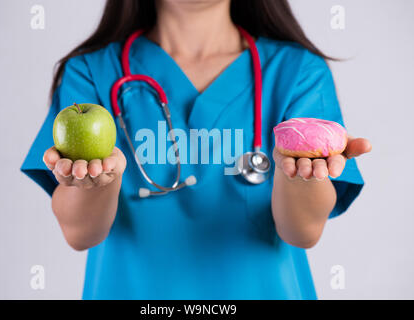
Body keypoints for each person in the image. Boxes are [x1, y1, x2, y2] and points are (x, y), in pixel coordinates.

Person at [21, 0, 372, 299]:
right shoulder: (91, 72)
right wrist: (96, 182)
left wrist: (300, 176)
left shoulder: (297, 72)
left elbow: (303, 232)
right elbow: (80, 234)